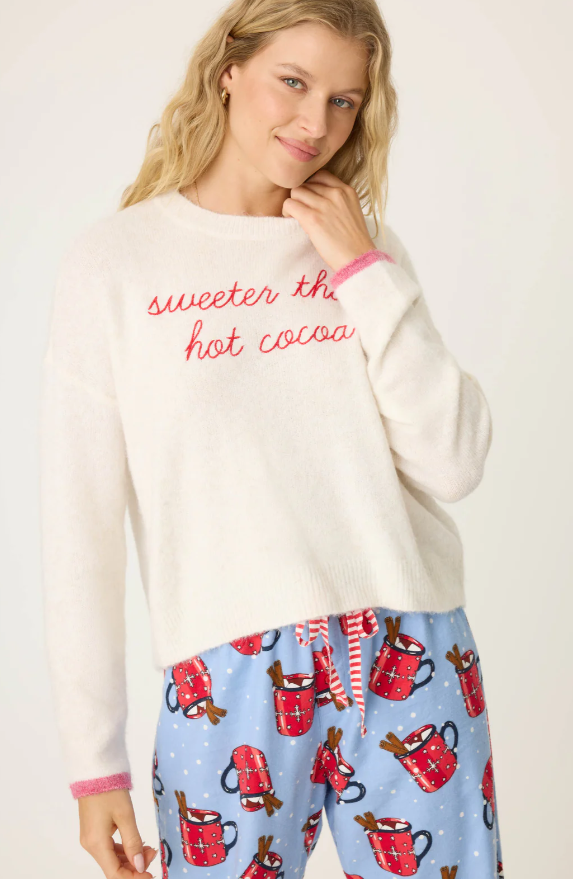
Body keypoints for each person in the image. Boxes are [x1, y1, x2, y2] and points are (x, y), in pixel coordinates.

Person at [39, 1, 505, 877]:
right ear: (229, 71)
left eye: (342, 100)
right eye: (292, 82)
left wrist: (361, 267)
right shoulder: (115, 264)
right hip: (227, 678)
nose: (314, 122)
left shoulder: (364, 248)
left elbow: (454, 460)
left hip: (412, 649)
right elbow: (79, 529)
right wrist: (93, 764)